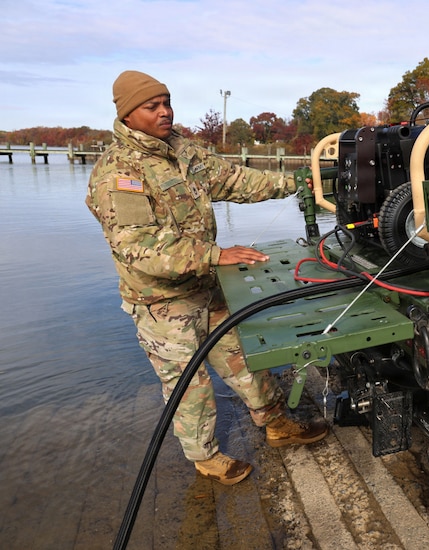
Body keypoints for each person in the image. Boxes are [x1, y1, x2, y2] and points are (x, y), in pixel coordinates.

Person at [86, 70, 328, 486]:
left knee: (244, 358)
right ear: (128, 114)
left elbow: (235, 179)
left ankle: (275, 423)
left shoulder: (181, 150)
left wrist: (297, 181)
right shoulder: (117, 173)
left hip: (207, 287)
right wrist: (216, 255)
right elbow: (140, 249)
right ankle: (207, 458)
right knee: (188, 387)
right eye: (152, 106)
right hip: (162, 303)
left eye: (166, 102)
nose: (164, 112)